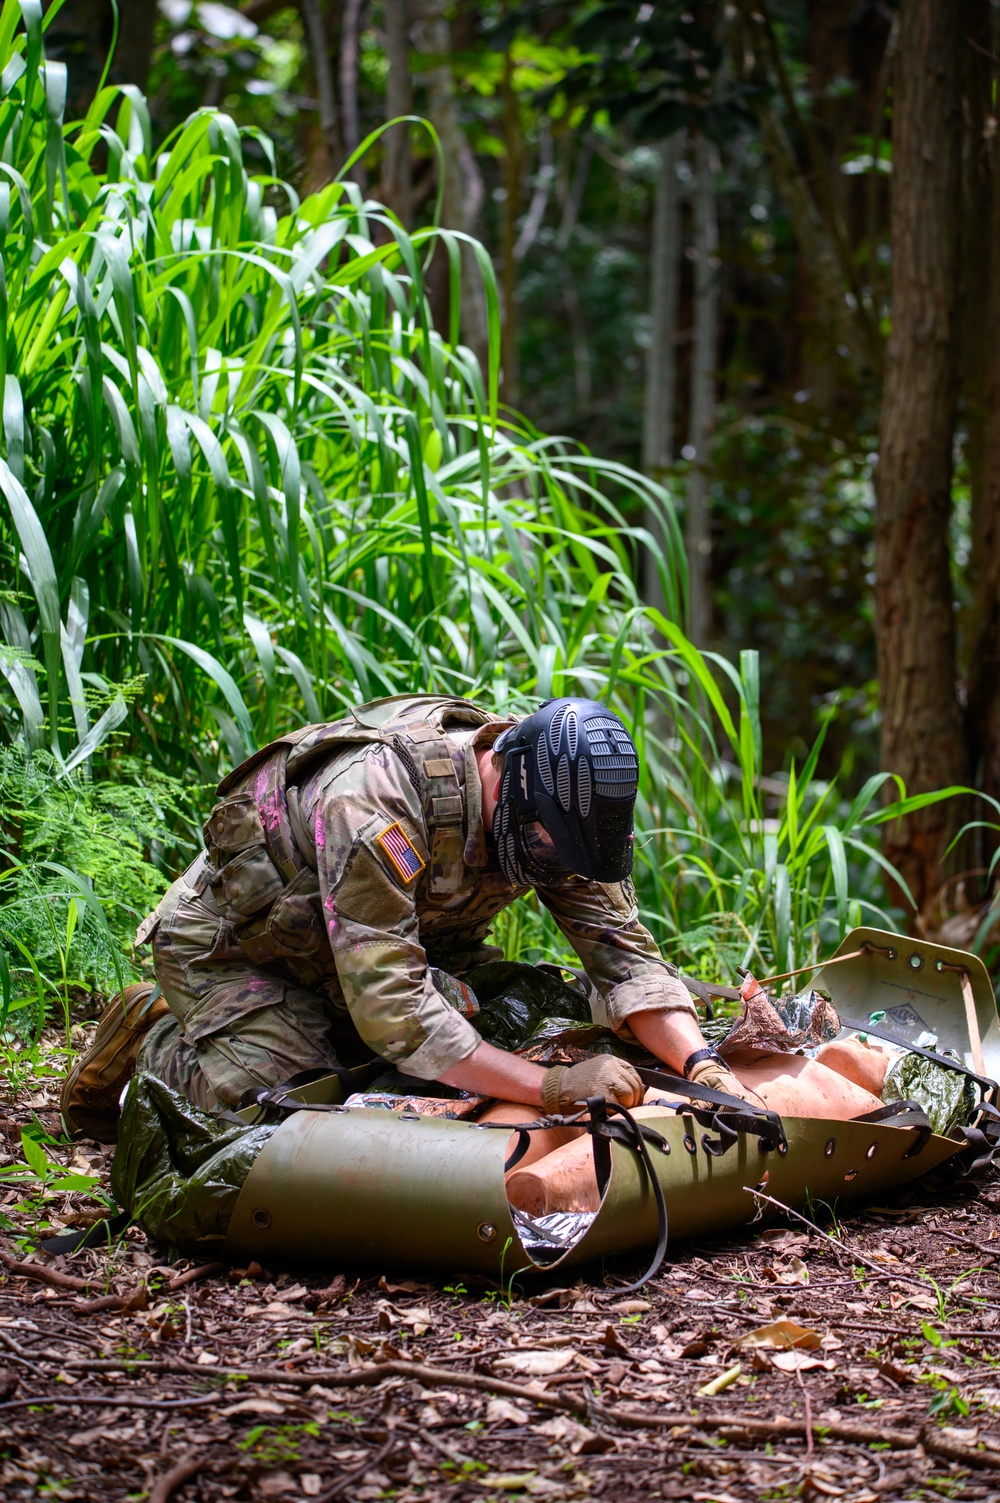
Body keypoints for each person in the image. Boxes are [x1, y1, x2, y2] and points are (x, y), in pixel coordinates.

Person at [60, 694, 774, 1142]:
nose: (560, 867)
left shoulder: (560, 806)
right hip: (242, 951)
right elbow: (398, 1010)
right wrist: (553, 1089)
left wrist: (705, 1067)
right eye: (551, 848)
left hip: (382, 950)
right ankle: (156, 1039)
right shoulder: (377, 802)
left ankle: (314, 1032)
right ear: (512, 786)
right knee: (285, 1112)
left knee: (530, 1021)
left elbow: (625, 957)